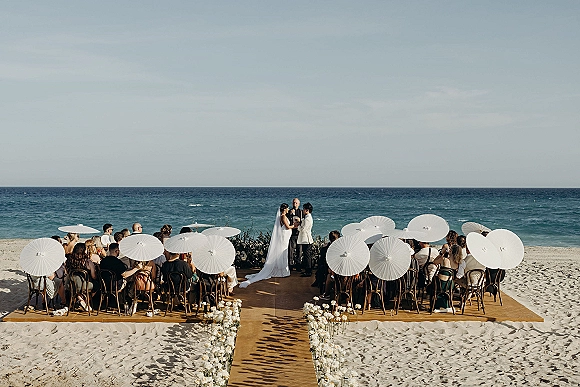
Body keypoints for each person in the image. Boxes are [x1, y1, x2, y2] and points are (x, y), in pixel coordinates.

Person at [239, 203, 297, 288]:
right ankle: (281, 270)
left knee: (283, 252)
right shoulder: (283, 216)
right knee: (282, 252)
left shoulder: (283, 216)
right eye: (287, 208)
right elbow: (287, 227)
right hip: (284, 237)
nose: (288, 209)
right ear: (284, 209)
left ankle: (281, 268)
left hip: (285, 237)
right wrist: (294, 226)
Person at [298, 202, 314, 277]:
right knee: (306, 255)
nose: (303, 210)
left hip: (306, 239)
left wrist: (298, 226)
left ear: (307, 210)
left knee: (307, 255)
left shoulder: (308, 219)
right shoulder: (307, 217)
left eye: (304, 209)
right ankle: (307, 269)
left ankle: (308, 271)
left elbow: (303, 229)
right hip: (305, 239)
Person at [287, 198, 302, 270]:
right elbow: (286, 221)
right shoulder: (289, 211)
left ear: (299, 204)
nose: (294, 204)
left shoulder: (301, 212)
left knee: (299, 250)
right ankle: (290, 265)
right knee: (291, 250)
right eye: (293, 203)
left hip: (299, 234)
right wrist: (290, 214)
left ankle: (298, 265)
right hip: (292, 233)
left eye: (296, 203)